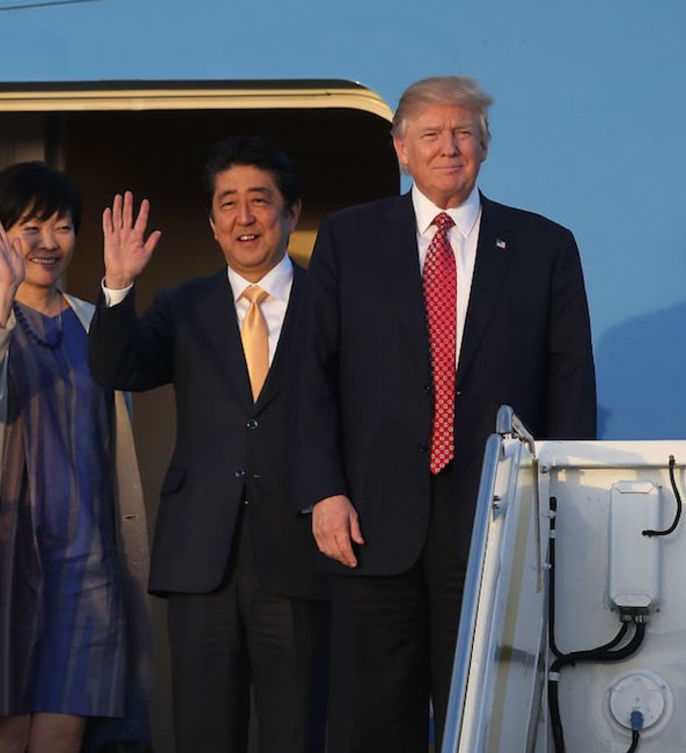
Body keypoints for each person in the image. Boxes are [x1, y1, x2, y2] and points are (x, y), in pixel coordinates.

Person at [297, 76, 597, 752]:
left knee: (489, 721)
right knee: (371, 724)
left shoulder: (545, 247)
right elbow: (310, 376)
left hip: (496, 528)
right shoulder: (348, 238)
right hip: (369, 526)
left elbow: (569, 385)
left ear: (484, 148)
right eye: (430, 134)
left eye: (463, 132)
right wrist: (322, 489)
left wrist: (555, 515)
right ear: (402, 149)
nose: (448, 147)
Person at [89, 137, 330, 753]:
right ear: (213, 223)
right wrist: (116, 285)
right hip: (202, 555)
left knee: (296, 730)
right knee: (203, 730)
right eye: (228, 204)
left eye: (259, 201)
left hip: (301, 551)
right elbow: (118, 370)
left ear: (292, 212)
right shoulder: (183, 305)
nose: (244, 217)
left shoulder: (332, 304)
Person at [0, 162, 151, 753]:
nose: (49, 243)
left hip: (86, 555)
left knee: (64, 731)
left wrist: (121, 287)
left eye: (62, 227)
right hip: (4, 551)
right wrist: (3, 293)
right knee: (5, 730)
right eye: (31, 227)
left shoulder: (91, 318)